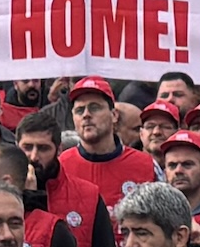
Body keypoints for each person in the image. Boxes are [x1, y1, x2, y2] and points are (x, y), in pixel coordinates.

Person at [21, 111, 120, 247]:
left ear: (59, 150)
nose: (34, 156)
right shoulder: (3, 196)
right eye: (27, 147)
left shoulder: (88, 195)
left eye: (43, 148)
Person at [59, 76, 160, 228]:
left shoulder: (146, 165)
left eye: (95, 107)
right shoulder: (61, 166)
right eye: (80, 110)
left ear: (114, 115)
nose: (86, 115)